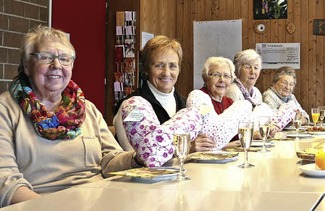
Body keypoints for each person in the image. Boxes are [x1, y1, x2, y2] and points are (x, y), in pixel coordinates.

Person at [0, 26, 140, 206]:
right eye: (46, 57)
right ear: (27, 66)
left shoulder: (86, 109)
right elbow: (6, 183)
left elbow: (110, 159)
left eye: (64, 59)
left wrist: (137, 158)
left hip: (97, 202)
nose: (56, 65)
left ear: (72, 66)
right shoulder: (5, 110)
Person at [113, 35, 186, 151]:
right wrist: (186, 147)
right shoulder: (130, 107)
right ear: (146, 69)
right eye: (159, 66)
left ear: (179, 69)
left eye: (172, 66)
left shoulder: (186, 105)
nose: (166, 73)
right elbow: (131, 154)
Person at [226, 49, 298, 134]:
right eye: (248, 67)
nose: (253, 71)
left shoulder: (256, 92)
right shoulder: (232, 91)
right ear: (238, 69)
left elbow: (263, 120)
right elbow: (233, 126)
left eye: (256, 68)